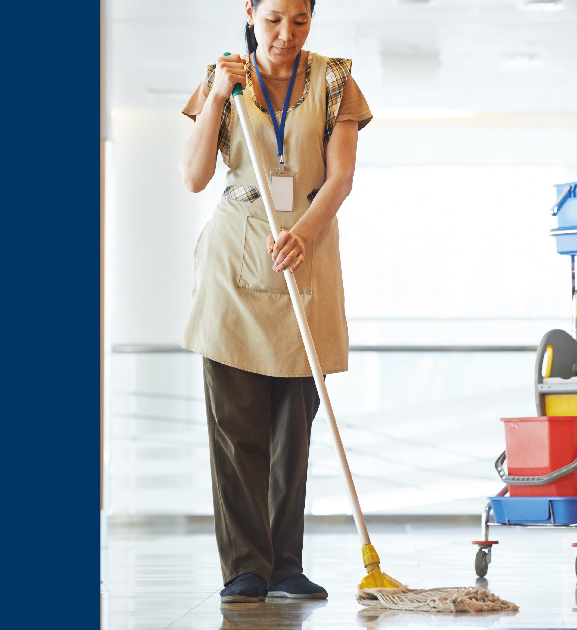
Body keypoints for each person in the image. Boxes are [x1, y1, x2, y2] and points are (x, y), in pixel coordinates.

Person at [176, 0, 372, 604]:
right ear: (250, 13)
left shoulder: (335, 79)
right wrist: (215, 99)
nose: (286, 34)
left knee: (294, 429)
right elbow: (194, 176)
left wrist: (304, 234)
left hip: (304, 254)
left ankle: (286, 565)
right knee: (237, 431)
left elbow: (339, 176)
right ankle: (245, 567)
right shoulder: (224, 79)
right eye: (274, 20)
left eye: (300, 21)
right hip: (236, 260)